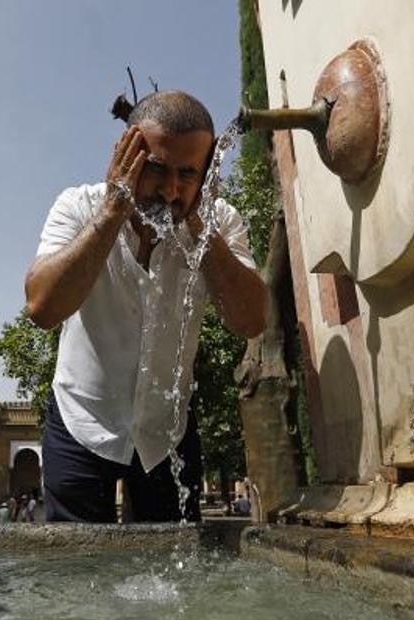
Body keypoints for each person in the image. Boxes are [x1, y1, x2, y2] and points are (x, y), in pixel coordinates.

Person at [24, 90, 266, 523]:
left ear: (208, 172)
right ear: (126, 156)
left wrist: (199, 220)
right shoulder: (78, 207)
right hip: (81, 418)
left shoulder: (220, 220)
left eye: (188, 174)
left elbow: (250, 320)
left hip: (167, 430)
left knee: (176, 574)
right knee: (74, 570)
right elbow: (42, 307)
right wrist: (114, 208)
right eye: (156, 170)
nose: (171, 190)